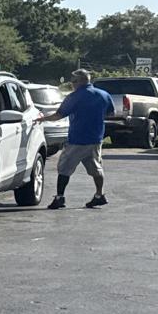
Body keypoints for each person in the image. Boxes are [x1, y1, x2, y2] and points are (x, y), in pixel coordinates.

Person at [48, 68, 115, 209]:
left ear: (80, 81)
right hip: (96, 138)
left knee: (64, 168)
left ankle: (60, 197)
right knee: (96, 168)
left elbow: (59, 115)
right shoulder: (103, 95)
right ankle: (99, 195)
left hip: (78, 139)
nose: (72, 84)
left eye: (73, 81)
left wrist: (42, 119)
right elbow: (111, 113)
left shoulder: (75, 96)